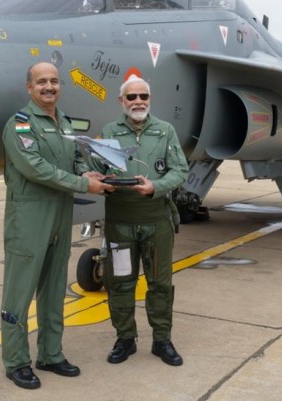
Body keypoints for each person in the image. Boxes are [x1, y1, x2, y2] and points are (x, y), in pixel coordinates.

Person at [0, 62, 114, 389]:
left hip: (60, 213)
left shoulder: (63, 121)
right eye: (41, 82)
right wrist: (81, 184)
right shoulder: (20, 125)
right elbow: (34, 167)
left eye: (53, 81)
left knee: (53, 290)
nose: (49, 87)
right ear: (29, 87)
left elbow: (74, 157)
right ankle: (16, 361)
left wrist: (86, 172)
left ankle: (50, 354)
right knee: (19, 293)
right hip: (30, 217)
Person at [95, 75, 189, 366]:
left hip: (156, 223)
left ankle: (162, 340)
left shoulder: (165, 131)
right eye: (132, 97)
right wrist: (98, 175)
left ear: (150, 99)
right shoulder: (109, 131)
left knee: (160, 284)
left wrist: (156, 187)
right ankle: (125, 339)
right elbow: (96, 167)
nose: (138, 102)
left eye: (143, 97)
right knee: (121, 283)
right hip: (120, 224)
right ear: (121, 101)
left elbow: (179, 170)